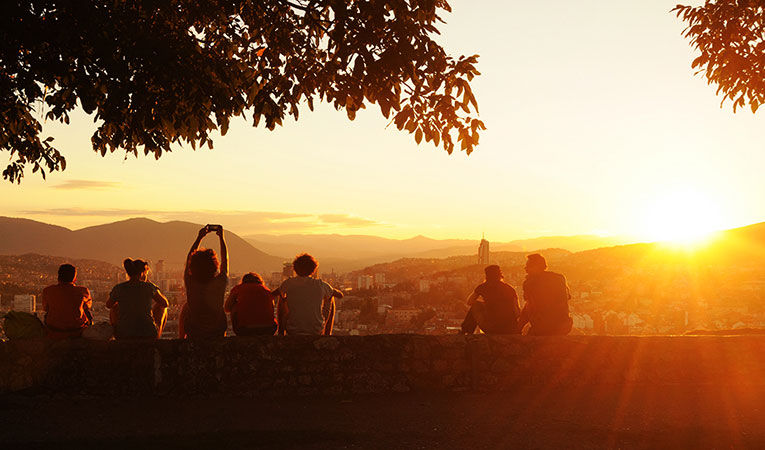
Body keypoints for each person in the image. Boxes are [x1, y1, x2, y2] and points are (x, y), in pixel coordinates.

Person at [272, 253, 343, 335]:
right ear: (313, 269)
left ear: (295, 269)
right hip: (316, 330)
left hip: (292, 329)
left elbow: (273, 294)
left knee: (282, 297)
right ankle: (327, 335)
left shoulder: (288, 283)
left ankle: (281, 333)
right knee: (330, 296)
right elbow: (340, 295)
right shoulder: (320, 284)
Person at [179, 225, 229, 339]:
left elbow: (188, 260)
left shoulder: (190, 282)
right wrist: (222, 238)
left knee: (186, 307)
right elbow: (225, 261)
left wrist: (199, 237)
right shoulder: (220, 282)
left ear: (193, 266)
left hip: (194, 332)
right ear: (214, 266)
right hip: (217, 331)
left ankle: (181, 339)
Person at [106, 259, 169, 339]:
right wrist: (153, 286)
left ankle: (117, 335)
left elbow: (108, 305)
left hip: (123, 335)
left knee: (113, 307)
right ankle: (157, 338)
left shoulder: (119, 288)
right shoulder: (149, 287)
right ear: (142, 273)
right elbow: (165, 303)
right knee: (162, 308)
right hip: (148, 334)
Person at [518, 253, 573, 335]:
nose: (525, 268)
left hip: (543, 328)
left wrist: (519, 326)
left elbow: (530, 306)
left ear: (537, 267)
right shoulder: (559, 278)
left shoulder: (531, 283)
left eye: (529, 266)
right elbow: (566, 299)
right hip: (563, 326)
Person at [461, 265, 520, 334]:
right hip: (510, 328)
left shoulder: (483, 287)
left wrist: (485, 304)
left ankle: (466, 331)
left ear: (486, 275)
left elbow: (469, 301)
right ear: (500, 275)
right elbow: (517, 311)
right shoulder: (510, 288)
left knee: (475, 305)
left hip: (492, 328)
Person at [41, 264, 93, 339]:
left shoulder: (48, 291)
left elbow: (45, 308)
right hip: (77, 330)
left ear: (58, 277)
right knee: (87, 312)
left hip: (54, 330)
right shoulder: (83, 291)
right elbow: (88, 306)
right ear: (74, 278)